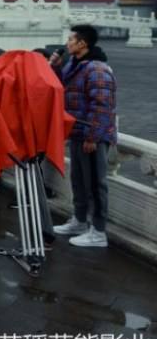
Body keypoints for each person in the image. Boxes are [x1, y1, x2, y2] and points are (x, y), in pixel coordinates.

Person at [51, 25, 117, 248]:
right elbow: (64, 91)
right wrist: (57, 69)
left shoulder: (97, 69)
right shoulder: (74, 65)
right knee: (78, 181)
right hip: (77, 132)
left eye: (71, 39)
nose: (67, 43)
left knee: (95, 184)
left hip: (91, 136)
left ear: (82, 44)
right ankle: (79, 220)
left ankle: (98, 232)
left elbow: (102, 106)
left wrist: (93, 137)